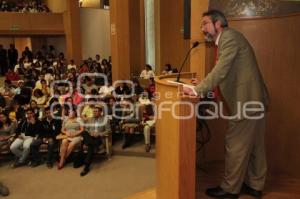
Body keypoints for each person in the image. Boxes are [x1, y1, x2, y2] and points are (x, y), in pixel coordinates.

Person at [183, 10, 269, 198]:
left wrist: (197, 90)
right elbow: (227, 73)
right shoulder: (231, 38)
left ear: (218, 24)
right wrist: (204, 86)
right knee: (255, 145)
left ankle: (230, 189)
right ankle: (255, 185)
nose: (202, 28)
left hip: (247, 102)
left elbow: (220, 71)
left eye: (205, 23)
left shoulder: (228, 38)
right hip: (255, 100)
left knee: (235, 144)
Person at [80, 106, 111, 176]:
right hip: (90, 137)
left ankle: (86, 167)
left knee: (90, 145)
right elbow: (87, 129)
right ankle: (86, 166)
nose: (94, 113)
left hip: (98, 138)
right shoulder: (90, 119)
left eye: (96, 111)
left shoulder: (105, 120)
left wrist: (99, 134)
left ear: (100, 112)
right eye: (93, 111)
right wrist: (91, 133)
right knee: (84, 133)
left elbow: (109, 131)